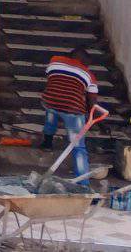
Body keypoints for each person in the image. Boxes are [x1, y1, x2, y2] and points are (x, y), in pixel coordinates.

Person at [38, 46, 99, 179]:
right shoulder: (89, 75)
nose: (87, 66)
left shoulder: (54, 61)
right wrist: (89, 117)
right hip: (73, 109)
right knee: (79, 147)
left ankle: (47, 141)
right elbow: (92, 101)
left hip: (50, 101)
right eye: (87, 64)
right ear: (83, 61)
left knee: (52, 110)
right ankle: (83, 183)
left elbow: (52, 79)